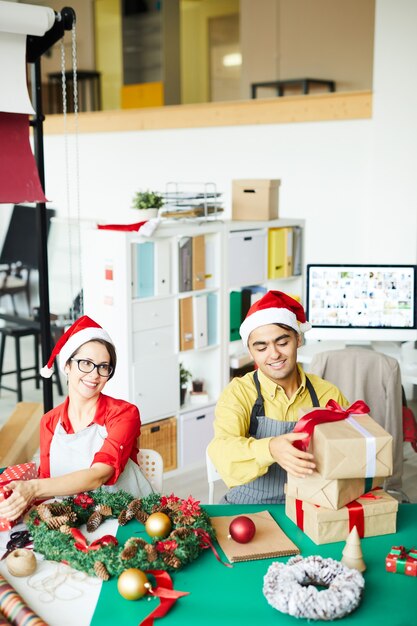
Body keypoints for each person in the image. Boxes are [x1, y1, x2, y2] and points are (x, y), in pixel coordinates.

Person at [0, 315, 153, 522]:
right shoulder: (50, 422)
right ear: (67, 366)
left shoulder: (123, 414)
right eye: (85, 363)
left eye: (103, 367)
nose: (94, 374)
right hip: (74, 520)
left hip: (130, 518)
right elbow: (49, 485)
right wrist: (14, 496)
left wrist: (33, 487)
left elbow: (99, 474)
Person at [208, 291, 348, 504]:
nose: (273, 354)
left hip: (311, 505)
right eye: (261, 347)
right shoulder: (238, 393)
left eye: (282, 343)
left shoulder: (326, 394)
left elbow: (348, 450)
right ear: (251, 351)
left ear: (298, 339)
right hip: (247, 505)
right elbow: (221, 450)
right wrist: (271, 448)